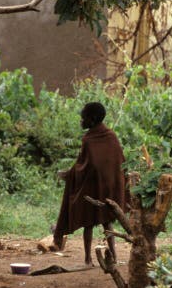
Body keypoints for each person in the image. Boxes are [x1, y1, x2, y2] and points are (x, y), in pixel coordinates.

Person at [53, 102, 126, 265]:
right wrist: (73, 172)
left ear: (92, 120)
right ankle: (109, 256)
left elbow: (84, 166)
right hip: (106, 187)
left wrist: (69, 174)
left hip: (96, 188)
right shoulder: (111, 135)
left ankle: (89, 259)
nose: (81, 121)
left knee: (90, 223)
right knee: (105, 223)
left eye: (83, 118)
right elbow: (88, 164)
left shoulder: (90, 139)